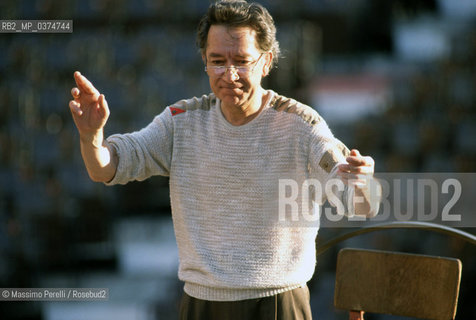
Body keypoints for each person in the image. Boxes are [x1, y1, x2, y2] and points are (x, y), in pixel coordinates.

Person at [68, 1, 380, 319]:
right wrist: (91, 137)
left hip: (276, 303)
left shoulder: (301, 124)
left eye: (242, 61)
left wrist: (361, 181)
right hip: (199, 304)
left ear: (267, 61)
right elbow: (106, 167)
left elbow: (359, 201)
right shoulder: (180, 122)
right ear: (204, 61)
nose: (229, 74)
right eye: (217, 61)